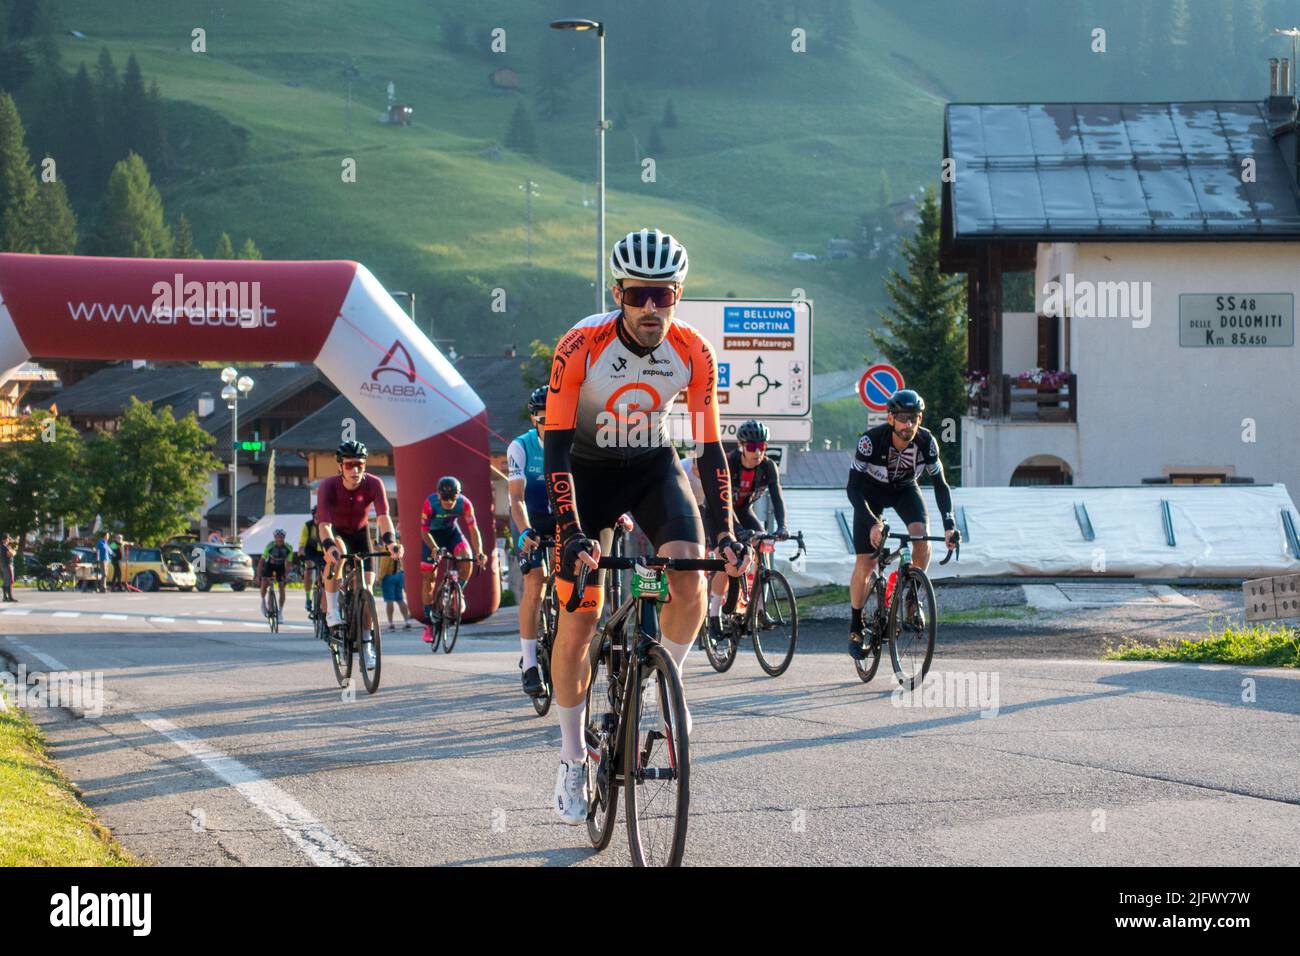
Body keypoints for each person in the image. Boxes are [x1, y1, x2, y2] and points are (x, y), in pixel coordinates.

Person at [543, 227, 747, 825]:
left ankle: (665, 688)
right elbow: (555, 452)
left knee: (691, 573)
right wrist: (571, 531)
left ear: (679, 293)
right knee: (581, 616)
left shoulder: (694, 351)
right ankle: (571, 754)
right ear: (618, 292)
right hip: (585, 473)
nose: (652, 308)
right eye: (639, 295)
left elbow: (709, 451)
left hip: (652, 465)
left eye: (664, 295)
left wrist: (728, 531)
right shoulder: (579, 345)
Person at [845, 389, 957, 659]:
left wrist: (950, 524)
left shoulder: (927, 441)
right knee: (866, 563)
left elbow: (940, 485)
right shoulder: (871, 442)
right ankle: (856, 624)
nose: (909, 425)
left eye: (915, 419)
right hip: (869, 493)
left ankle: (911, 596)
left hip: (905, 489)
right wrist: (872, 521)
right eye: (904, 418)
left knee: (921, 536)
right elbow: (853, 489)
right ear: (891, 418)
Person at [704, 419, 787, 641]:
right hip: (718, 512)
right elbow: (723, 502)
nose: (757, 452)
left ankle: (760, 609)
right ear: (741, 446)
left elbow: (777, 498)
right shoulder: (729, 463)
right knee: (726, 557)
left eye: (762, 447)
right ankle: (714, 615)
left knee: (764, 551)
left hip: (744, 511)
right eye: (752, 447)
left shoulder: (768, 466)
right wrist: (737, 531)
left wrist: (782, 526)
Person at [316, 441, 404, 645]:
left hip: (360, 533)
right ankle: (332, 610)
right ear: (340, 467)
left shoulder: (374, 484)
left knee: (368, 590)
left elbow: (383, 517)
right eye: (349, 465)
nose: (355, 470)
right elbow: (324, 525)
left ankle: (366, 642)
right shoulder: (328, 486)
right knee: (338, 552)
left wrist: (391, 543)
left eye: (360, 465)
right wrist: (328, 547)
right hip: (335, 533)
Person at [509, 386, 555, 698]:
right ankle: (529, 663)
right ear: (533, 418)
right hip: (530, 519)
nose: (549, 424)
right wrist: (525, 531)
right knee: (536, 582)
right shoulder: (521, 446)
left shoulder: (572, 442)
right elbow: (515, 498)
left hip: (563, 518)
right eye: (543, 419)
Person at [419, 476, 487, 644]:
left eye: (452, 499)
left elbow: (473, 529)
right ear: (438, 494)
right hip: (431, 537)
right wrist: (435, 549)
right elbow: (424, 531)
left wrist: (479, 552)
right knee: (429, 577)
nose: (449, 503)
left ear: (458, 495)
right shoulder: (430, 503)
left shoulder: (464, 504)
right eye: (445, 499)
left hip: (451, 534)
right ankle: (428, 622)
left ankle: (457, 591)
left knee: (467, 557)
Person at [258, 530, 292, 624]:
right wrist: (259, 575)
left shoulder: (288, 547)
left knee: (282, 587)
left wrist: (286, 575)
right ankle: (263, 601)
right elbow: (262, 561)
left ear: (284, 538)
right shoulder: (270, 546)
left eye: (281, 537)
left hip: (280, 567)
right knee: (264, 583)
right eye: (277, 537)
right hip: (270, 566)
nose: (279, 539)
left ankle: (280, 611)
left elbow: (288, 563)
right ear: (275, 538)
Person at [378, 548, 412, 628]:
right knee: (400, 600)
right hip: (399, 575)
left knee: (389, 600)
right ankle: (407, 621)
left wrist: (380, 578)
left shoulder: (387, 548)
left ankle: (391, 623)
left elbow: (384, 565)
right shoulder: (399, 546)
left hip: (388, 576)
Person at [299, 505, 323, 613]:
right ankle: (308, 598)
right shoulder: (307, 526)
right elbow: (302, 545)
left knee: (325, 572)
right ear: (313, 516)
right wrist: (303, 557)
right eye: (316, 517)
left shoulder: (326, 524)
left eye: (320, 517)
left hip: (323, 550)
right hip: (311, 550)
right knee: (308, 570)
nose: (318, 519)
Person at [0, 534, 15, 602]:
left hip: (4, 565)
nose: (8, 540)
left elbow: (12, 552)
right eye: (8, 539)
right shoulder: (5, 547)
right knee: (10, 580)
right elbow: (11, 554)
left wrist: (12, 550)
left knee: (6, 581)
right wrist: (13, 552)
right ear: (4, 540)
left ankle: (5, 597)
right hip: (7, 565)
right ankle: (10, 597)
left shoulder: (5, 546)